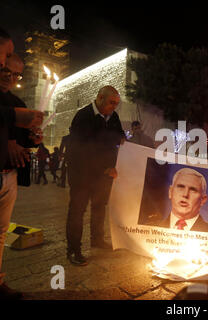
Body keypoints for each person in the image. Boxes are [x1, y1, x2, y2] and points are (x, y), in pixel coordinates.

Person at [0, 23, 43, 295]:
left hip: (8, 175)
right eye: (6, 70)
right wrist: (9, 137)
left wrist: (33, 139)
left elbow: (23, 138)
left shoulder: (17, 100)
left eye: (16, 75)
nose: (9, 77)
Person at [66, 86, 125, 266]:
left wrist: (122, 139)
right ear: (100, 98)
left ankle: (97, 239)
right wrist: (103, 169)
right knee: (77, 211)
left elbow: (119, 135)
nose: (114, 107)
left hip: (103, 176)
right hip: (82, 175)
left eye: (116, 104)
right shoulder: (83, 117)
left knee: (99, 207)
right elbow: (81, 150)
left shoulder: (112, 117)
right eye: (111, 103)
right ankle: (73, 249)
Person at [147, 168, 208, 233]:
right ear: (170, 192)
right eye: (181, 187)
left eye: (193, 190)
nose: (185, 194)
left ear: (203, 200)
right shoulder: (149, 228)